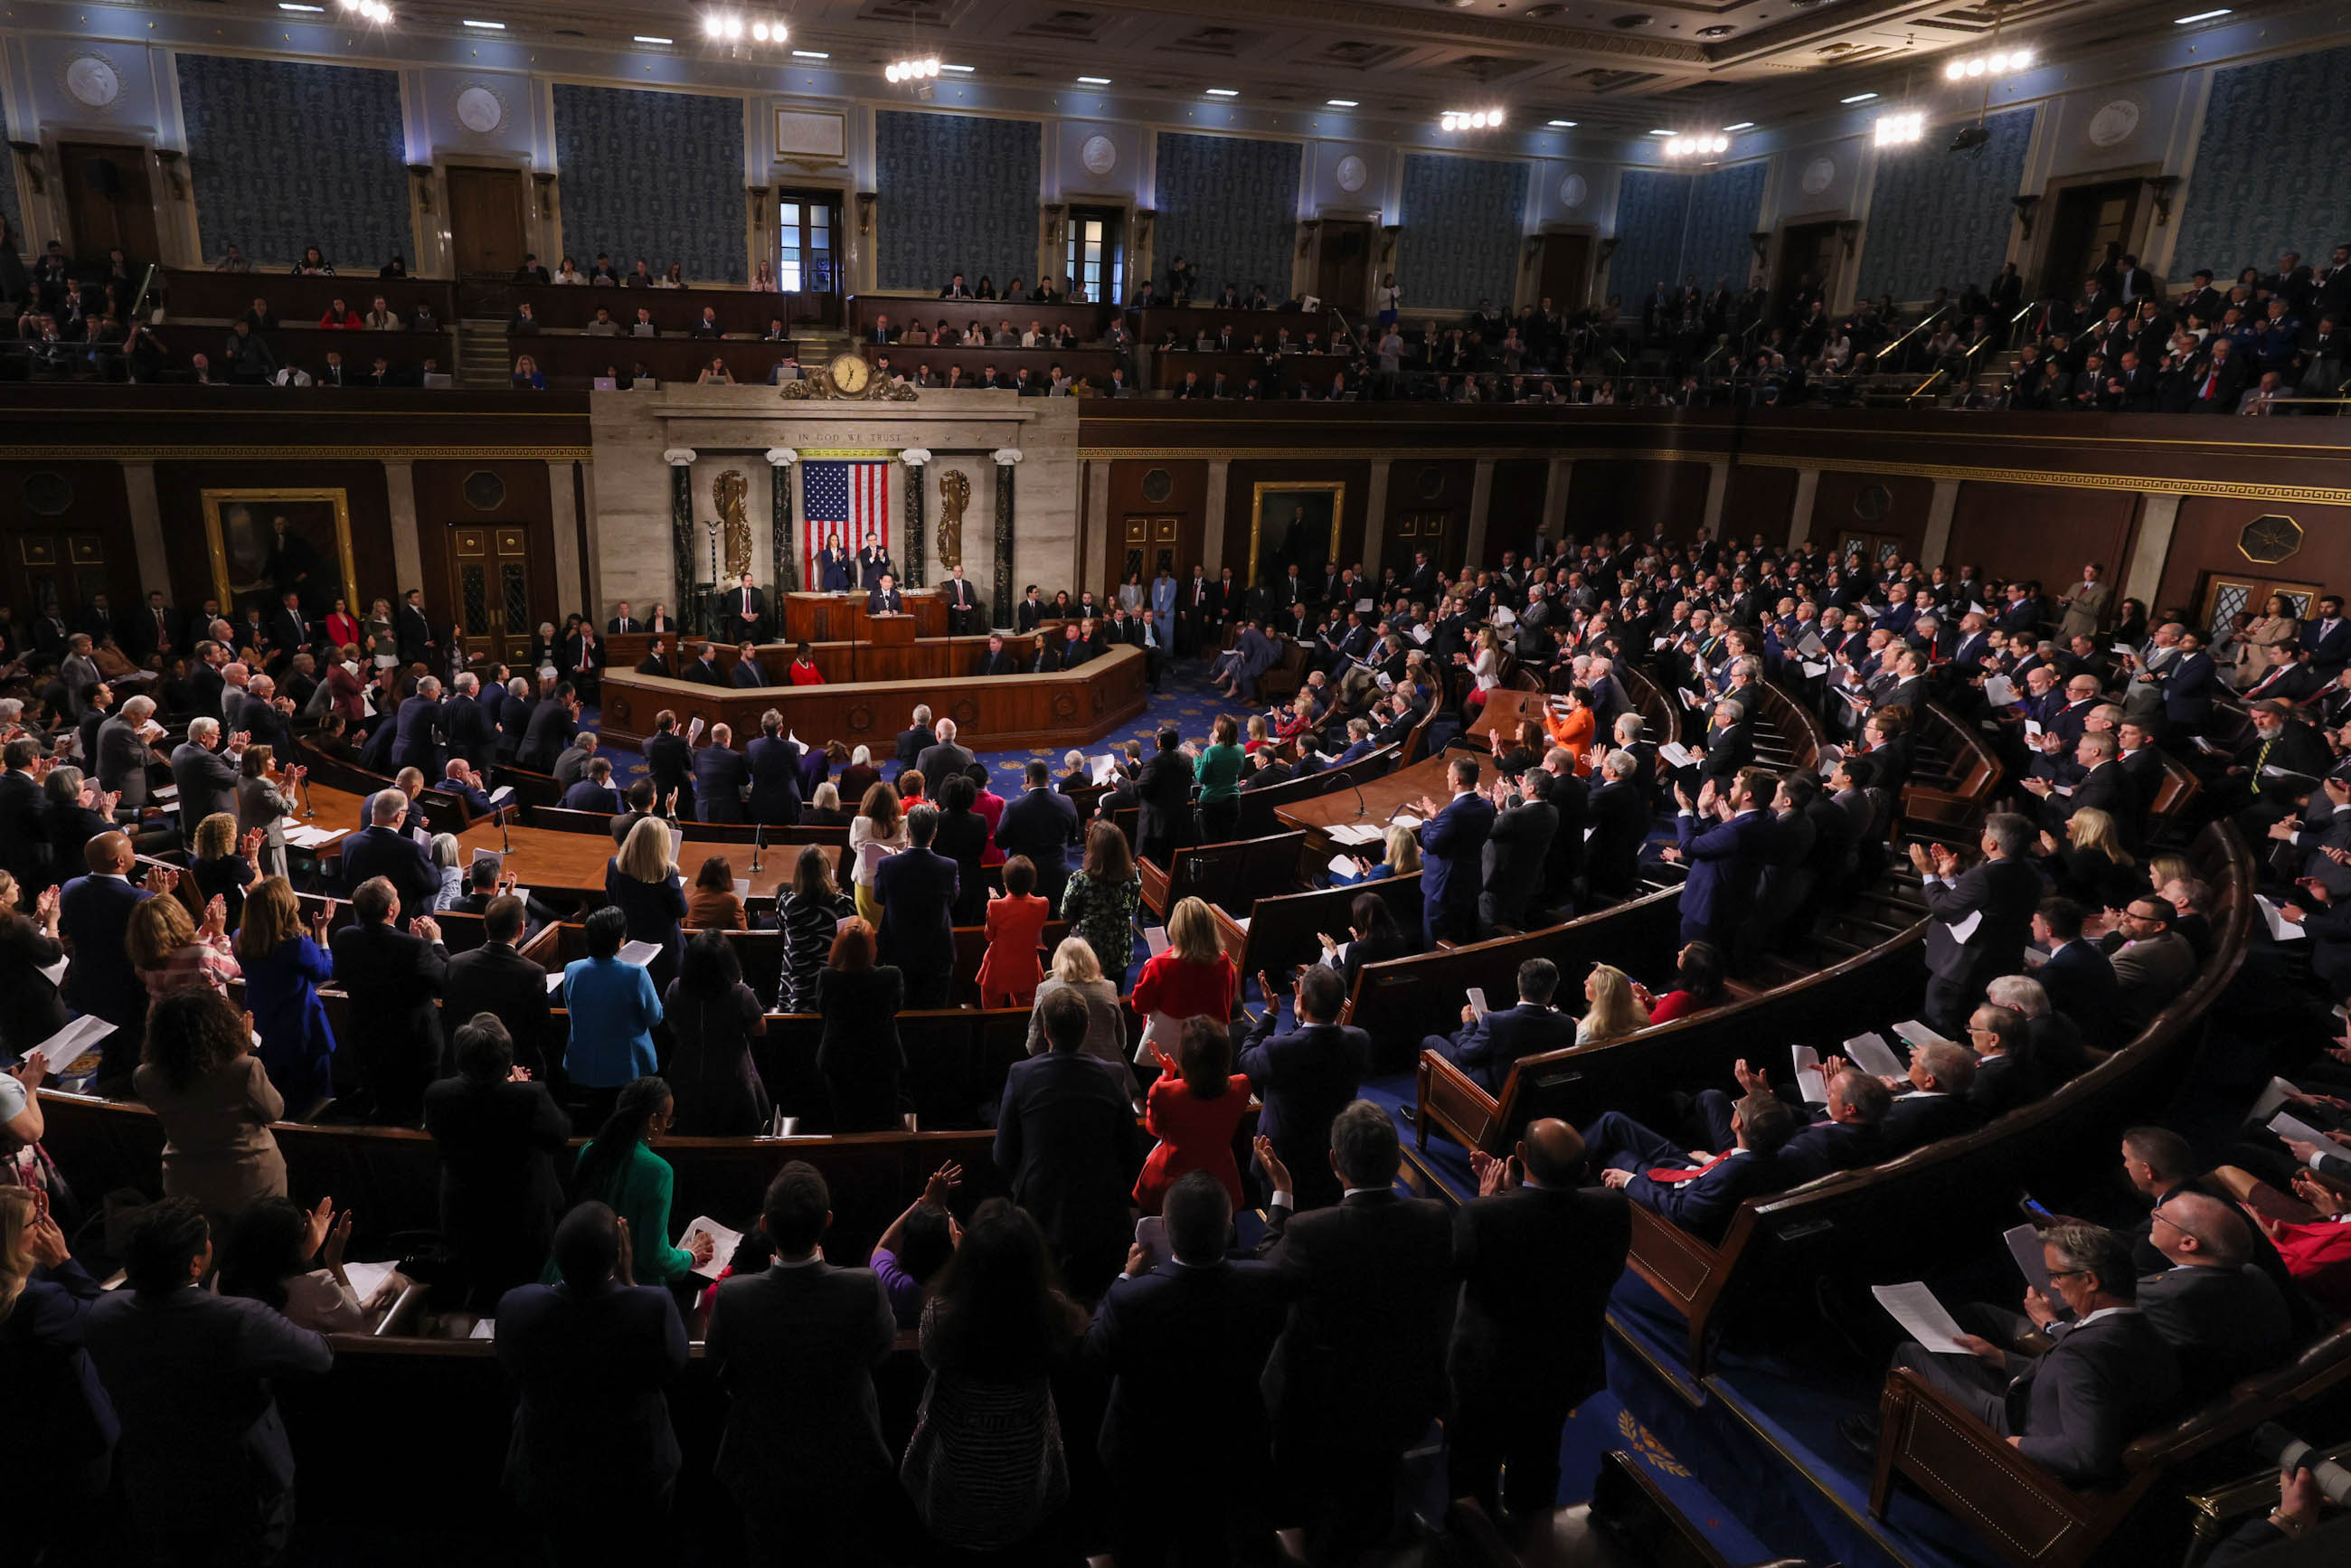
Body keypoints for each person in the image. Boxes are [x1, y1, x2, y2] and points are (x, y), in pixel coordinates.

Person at [1260, 1100, 1456, 1563]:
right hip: (1403, 1398)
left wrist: (1282, 1196)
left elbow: (1268, 1272)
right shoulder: (1434, 1218)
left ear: (1334, 1162)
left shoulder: (1309, 1231)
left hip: (1321, 1409)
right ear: (1396, 1161)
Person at [85, 1199, 334, 1563]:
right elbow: (320, 1356)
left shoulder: (103, 1313)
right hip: (242, 1493)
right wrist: (297, 1263)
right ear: (196, 1264)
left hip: (152, 1485)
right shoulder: (240, 1320)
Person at [1085, 1167, 1293, 1567]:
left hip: (1145, 1460)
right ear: (1230, 1227)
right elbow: (1267, 1255)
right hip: (1232, 1450)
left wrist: (1125, 1277)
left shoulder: (1131, 1299)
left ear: (1164, 1228)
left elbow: (1094, 1355)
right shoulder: (1263, 1285)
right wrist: (1281, 1195)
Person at [1880, 1223, 2182, 1489]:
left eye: (2056, 1275)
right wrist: (2001, 1358)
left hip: (2022, 1434)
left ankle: (1896, 1459)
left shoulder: (2086, 1350)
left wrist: (2016, 1445)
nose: (2053, 1285)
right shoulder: (2142, 1327)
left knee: (1912, 1356)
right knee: (1953, 1354)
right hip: (2037, 1407)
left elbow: (2086, 1456)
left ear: (2090, 1280)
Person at [706, 1162, 901, 1560]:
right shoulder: (863, 1287)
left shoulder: (734, 1296)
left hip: (762, 1468)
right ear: (827, 1221)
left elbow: (719, 1363)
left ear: (765, 1224)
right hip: (846, 1463)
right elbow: (880, 1353)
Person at [1449, 1119, 1630, 1522]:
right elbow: (1560, 1242)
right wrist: (1513, 1201)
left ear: (1521, 1154)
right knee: (1539, 1462)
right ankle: (1531, 1534)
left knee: (1472, 1471)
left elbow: (1455, 1276)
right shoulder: (1612, 1207)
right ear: (1584, 1169)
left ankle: (1471, 1539)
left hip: (1490, 1372)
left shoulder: (1482, 1216)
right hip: (1560, 1369)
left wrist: (1493, 1201)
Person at [497, 1202, 691, 1558]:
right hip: (636, 1474)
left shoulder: (516, 1306)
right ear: (618, 1258)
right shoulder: (653, 1307)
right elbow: (674, 1365)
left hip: (548, 1473)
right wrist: (630, 1282)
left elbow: (511, 1366)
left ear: (557, 1254)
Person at [899, 1201, 1090, 1554]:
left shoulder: (940, 1313)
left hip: (952, 1485)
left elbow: (929, 1358)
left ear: (970, 1257)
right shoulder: (1052, 1311)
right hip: (1027, 1485)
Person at [995, 987, 1147, 1295]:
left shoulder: (1021, 1074)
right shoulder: (1111, 1074)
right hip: (1102, 1213)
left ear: (1046, 1031)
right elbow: (1131, 1152)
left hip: (1040, 1208)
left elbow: (1003, 1153)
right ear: (1087, 1029)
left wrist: (1026, 1184)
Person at [421, 1013, 571, 1311]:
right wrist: (520, 1088)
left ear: (460, 1058)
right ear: (506, 1060)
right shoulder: (530, 1097)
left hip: (464, 1211)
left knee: (480, 1288)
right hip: (522, 1216)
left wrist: (514, 1090)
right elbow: (559, 1136)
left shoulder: (437, 1094)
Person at [0, 1185, 118, 1533]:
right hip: (76, 1436)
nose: (42, 1227)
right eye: (34, 1223)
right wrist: (63, 1260)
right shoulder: (39, 1303)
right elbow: (101, 1319)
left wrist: (31, 1218)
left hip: (21, 1432)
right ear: (9, 1238)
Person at [134, 986, 288, 1226]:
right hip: (249, 1181)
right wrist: (242, 1051)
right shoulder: (244, 1069)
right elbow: (274, 1111)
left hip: (184, 1180)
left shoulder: (145, 1076)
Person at [555, 1078, 713, 1292]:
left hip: (574, 1277)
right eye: (668, 1120)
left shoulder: (589, 1150)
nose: (667, 1127)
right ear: (652, 1120)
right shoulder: (658, 1171)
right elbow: (655, 1259)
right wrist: (691, 1254)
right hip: (625, 1286)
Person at [1240, 963, 1371, 1210]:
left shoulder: (1277, 1050)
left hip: (1282, 1163)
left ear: (1303, 1000)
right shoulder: (1359, 1041)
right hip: (1332, 1156)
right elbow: (1316, 1048)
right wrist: (1303, 1022)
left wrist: (1269, 1014)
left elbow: (1246, 1058)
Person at [1584, 1091, 1796, 1240]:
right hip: (1692, 1171)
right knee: (1613, 1121)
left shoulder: (1732, 1174)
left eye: (1735, 1107)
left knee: (1614, 1154)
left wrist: (1629, 1181)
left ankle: (1563, 1167)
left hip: (1670, 1189)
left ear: (1737, 1123)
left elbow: (1681, 1211)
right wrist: (1708, 1160)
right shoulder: (1772, 1158)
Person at [1911, 812, 2044, 1036]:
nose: (1982, 834)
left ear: (1992, 843)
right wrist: (1950, 878)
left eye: (1985, 832)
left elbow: (1943, 911)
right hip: (1999, 963)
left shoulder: (1983, 875)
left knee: (1941, 1024)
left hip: (1960, 969)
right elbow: (1981, 906)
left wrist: (1929, 874)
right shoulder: (2030, 874)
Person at [330, 875, 448, 1125]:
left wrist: (413, 944)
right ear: (392, 909)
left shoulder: (344, 937)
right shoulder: (416, 949)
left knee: (381, 1100)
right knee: (415, 1112)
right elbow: (446, 980)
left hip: (367, 1039)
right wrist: (435, 942)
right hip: (413, 1049)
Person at [234, 878, 338, 1117]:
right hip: (302, 1030)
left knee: (275, 1094)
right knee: (313, 1101)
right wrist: (322, 934)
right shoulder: (297, 944)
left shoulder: (239, 939)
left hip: (264, 1024)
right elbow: (324, 971)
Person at [1134, 1014, 1253, 1214]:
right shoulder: (1241, 1086)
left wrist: (1167, 1076)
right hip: (1220, 1178)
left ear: (1185, 1058)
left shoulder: (1164, 1092)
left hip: (1169, 1181)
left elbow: (1154, 1129)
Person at [560, 907, 666, 1126]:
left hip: (585, 1066)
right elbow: (655, 1018)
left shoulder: (572, 970)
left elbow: (572, 1011)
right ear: (620, 941)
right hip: (629, 1067)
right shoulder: (636, 974)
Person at [664, 930, 770, 1136]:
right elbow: (759, 1029)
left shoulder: (675, 989)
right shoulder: (740, 994)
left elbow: (672, 1025)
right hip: (733, 1078)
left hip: (685, 1073)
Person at [216, 1195, 371, 1334]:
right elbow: (356, 1321)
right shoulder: (317, 1285)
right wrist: (334, 1262)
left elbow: (280, 1267)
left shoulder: (223, 1279)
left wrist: (309, 1248)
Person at [1426, 956, 1578, 1094]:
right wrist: (1494, 1019)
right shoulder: (1568, 1025)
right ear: (1551, 991)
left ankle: (1429, 1111)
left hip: (1495, 1096)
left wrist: (1468, 1024)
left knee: (1431, 1041)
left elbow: (1464, 1056)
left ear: (1519, 981)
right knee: (1454, 1036)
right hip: (1535, 1092)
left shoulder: (1496, 1022)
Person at [442, 893, 555, 1076]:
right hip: (517, 1067)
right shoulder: (533, 973)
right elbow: (543, 1030)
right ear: (521, 928)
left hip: (465, 1061)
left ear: (485, 925)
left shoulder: (456, 964)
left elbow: (450, 1017)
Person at [816, 918, 907, 1132]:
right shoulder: (891, 976)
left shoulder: (827, 977)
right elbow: (895, 1008)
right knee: (883, 1123)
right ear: (871, 947)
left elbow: (823, 1011)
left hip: (839, 1061)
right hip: (882, 1060)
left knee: (845, 1123)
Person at [1128, 893, 1239, 1057]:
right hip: (1210, 1042)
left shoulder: (1159, 965)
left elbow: (1140, 1006)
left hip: (1169, 1046)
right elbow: (1228, 1000)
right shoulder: (1223, 960)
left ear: (1176, 929)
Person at [875, 803, 960, 1006]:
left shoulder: (887, 865)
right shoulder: (949, 866)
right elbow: (952, 900)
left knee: (898, 1008)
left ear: (907, 832)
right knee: (934, 1010)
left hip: (896, 950)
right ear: (935, 833)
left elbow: (878, 897)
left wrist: (896, 864)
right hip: (936, 952)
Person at [1416, 753, 1497, 944]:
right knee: (1461, 934)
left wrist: (1427, 819)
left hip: (1444, 887)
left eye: (1448, 774)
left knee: (1435, 938)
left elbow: (1430, 844)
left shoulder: (1452, 813)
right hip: (1470, 881)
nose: (1446, 777)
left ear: (1457, 779)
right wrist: (1439, 820)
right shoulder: (1486, 806)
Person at [606, 814, 688, 987]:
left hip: (630, 940)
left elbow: (612, 899)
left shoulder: (614, 865)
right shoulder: (667, 873)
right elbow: (682, 910)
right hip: (665, 948)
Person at [1061, 818, 1142, 988]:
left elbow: (1065, 914)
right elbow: (1134, 907)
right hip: (1119, 949)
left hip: (1087, 950)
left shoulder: (1080, 879)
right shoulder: (1132, 874)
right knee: (1114, 995)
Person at [1025, 932, 1128, 1067]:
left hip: (1059, 1069)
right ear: (1091, 960)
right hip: (1105, 1069)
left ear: (1058, 960)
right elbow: (1121, 1041)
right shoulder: (1109, 987)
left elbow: (1034, 1045)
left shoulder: (1045, 989)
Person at [774, 843, 853, 1012]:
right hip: (832, 989)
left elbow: (781, 928)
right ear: (826, 871)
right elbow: (851, 940)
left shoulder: (787, 902)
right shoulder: (843, 903)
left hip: (797, 991)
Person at [127, 885, 241, 1000]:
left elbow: (186, 952)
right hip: (201, 1015)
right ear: (180, 919)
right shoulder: (202, 955)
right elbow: (233, 968)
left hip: (161, 1015)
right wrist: (219, 932)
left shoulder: (143, 959)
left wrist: (205, 930)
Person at [996, 760, 1081, 911]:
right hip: (1058, 874)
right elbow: (1074, 837)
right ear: (1048, 779)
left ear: (1027, 779)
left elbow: (1000, 842)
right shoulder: (1067, 802)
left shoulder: (1013, 808)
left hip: (1023, 878)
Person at [977, 854, 1050, 1008]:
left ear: (1005, 883)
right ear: (1032, 883)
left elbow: (989, 936)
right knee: (1024, 1014)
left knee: (991, 1009)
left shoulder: (995, 906)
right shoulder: (1043, 904)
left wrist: (996, 903)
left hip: (997, 966)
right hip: (1027, 966)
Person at [848, 780, 909, 929]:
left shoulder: (859, 822)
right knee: (891, 928)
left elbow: (854, 847)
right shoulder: (903, 822)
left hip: (866, 883)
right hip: (895, 883)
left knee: (869, 928)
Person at [1646, 940, 1728, 1023]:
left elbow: (1648, 1027)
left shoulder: (1680, 1000)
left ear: (1691, 968)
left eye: (1684, 954)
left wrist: (1638, 1000)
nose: (1679, 953)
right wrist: (1654, 1001)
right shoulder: (1717, 992)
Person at [1577, 960, 1650, 1043]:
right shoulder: (1641, 1013)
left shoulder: (1588, 1031)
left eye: (1589, 983)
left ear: (1601, 995)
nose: (1584, 982)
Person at [685, 854, 747, 930]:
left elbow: (684, 928)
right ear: (726, 877)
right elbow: (742, 932)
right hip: (722, 942)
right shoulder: (733, 902)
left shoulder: (690, 901)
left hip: (695, 942)